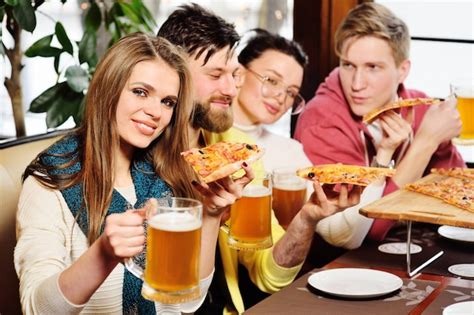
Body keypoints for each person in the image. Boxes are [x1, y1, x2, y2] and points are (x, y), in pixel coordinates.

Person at [14, 33, 253, 315]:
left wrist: (212, 215)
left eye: (167, 102)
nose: (155, 112)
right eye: (140, 91)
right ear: (108, 89)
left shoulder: (167, 172)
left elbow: (187, 300)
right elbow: (36, 309)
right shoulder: (50, 181)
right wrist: (104, 254)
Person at [158, 4, 363, 313]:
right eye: (217, 74)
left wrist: (306, 219)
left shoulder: (236, 149)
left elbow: (268, 274)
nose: (231, 87)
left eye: (232, 74)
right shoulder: (139, 147)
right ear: (171, 74)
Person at [295, 3, 465, 249]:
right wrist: (425, 143)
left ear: (402, 70)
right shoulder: (321, 120)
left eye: (373, 67)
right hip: (340, 264)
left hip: (419, 247)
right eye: (348, 65)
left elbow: (457, 198)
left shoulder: (421, 108)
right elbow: (366, 227)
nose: (357, 83)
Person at [232, 28, 312, 173]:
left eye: (291, 92)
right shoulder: (196, 138)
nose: (281, 97)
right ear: (239, 73)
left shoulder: (291, 152)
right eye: (272, 81)